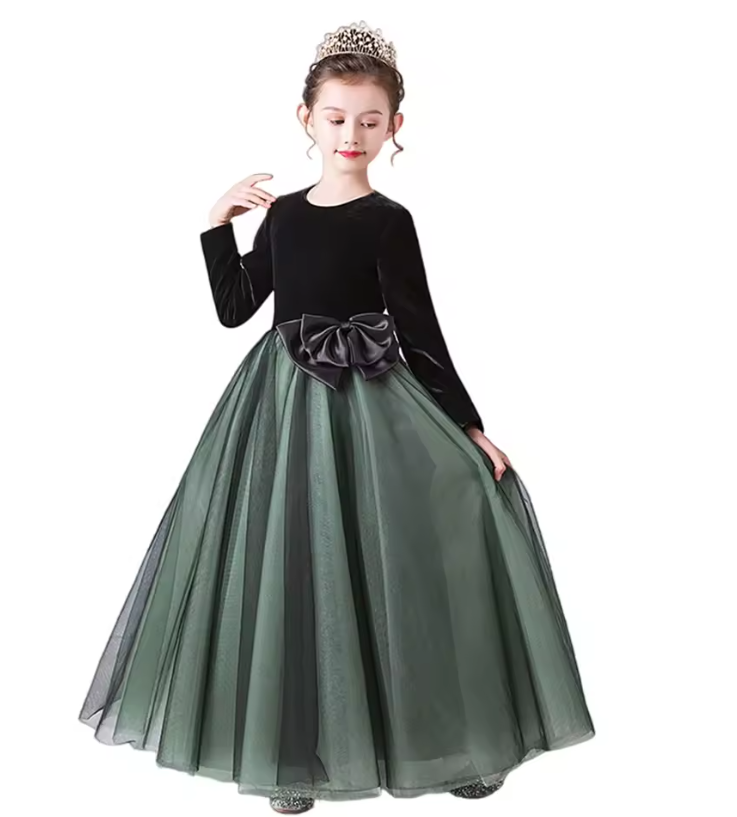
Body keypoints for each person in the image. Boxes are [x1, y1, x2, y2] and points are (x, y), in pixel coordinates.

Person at [77, 20, 595, 816]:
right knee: (289, 572)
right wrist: (215, 224)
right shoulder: (283, 214)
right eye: (336, 117)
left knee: (404, 568)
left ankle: (454, 743)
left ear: (393, 127)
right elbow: (235, 308)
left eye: (369, 119)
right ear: (306, 118)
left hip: (375, 407)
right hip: (281, 411)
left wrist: (467, 427)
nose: (350, 133)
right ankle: (293, 761)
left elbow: (420, 332)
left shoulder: (389, 219)